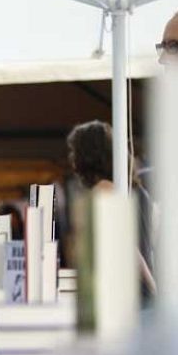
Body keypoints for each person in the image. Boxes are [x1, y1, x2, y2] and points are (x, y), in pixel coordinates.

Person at [66, 120, 157, 301]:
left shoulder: (104, 190)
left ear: (88, 155)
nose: (72, 157)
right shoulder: (136, 189)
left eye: (75, 151)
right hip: (140, 288)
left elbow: (129, 246)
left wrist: (152, 288)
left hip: (130, 290)